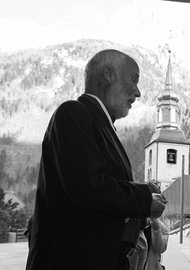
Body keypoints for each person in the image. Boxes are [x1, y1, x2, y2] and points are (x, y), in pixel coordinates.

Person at [25, 49, 166, 270]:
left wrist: (141, 191)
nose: (137, 92)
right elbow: (88, 188)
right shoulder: (72, 113)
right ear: (108, 74)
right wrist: (144, 199)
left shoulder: (102, 125)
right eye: (134, 79)